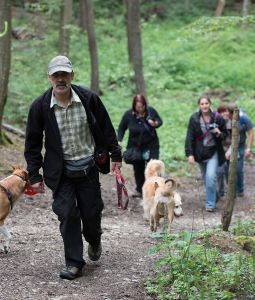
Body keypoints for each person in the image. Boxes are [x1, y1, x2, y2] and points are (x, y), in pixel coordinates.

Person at [24, 55, 122, 280]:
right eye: (56, 75)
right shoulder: (40, 106)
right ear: (49, 77)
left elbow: (106, 127)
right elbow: (32, 143)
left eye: (64, 74)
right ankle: (74, 262)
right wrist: (34, 174)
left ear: (72, 76)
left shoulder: (88, 99)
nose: (60, 79)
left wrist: (115, 154)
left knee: (91, 215)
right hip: (60, 173)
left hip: (88, 167)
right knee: (67, 214)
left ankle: (94, 239)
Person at [185, 95, 228, 212]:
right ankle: (215, 196)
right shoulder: (194, 118)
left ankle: (210, 204)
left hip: (213, 152)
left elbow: (225, 134)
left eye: (206, 103)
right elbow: (189, 137)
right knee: (206, 179)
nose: (204, 106)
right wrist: (190, 154)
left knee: (210, 177)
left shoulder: (217, 118)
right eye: (202, 104)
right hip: (200, 153)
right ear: (199, 105)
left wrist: (219, 133)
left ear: (210, 104)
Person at [117, 94, 163, 198]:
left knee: (154, 167)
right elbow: (121, 128)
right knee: (138, 168)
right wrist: (119, 140)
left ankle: (157, 190)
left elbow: (160, 122)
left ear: (145, 105)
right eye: (138, 107)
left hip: (151, 144)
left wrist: (154, 123)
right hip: (135, 146)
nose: (140, 109)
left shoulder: (151, 111)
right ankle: (140, 190)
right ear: (134, 106)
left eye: (142, 107)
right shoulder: (128, 114)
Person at [227, 103, 254, 197]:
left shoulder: (244, 119)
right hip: (227, 145)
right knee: (227, 168)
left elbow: (251, 133)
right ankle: (230, 189)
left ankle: (240, 189)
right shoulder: (226, 118)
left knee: (238, 168)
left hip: (240, 145)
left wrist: (248, 148)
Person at [216, 104, 232, 199]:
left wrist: (229, 151)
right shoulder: (216, 122)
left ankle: (231, 191)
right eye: (222, 111)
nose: (224, 113)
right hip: (220, 150)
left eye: (226, 111)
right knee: (220, 171)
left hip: (231, 149)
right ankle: (220, 191)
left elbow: (235, 139)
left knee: (230, 171)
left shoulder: (232, 123)